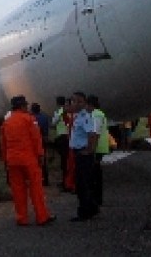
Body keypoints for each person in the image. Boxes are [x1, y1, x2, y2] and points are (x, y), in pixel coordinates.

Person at [0, 95, 55, 227]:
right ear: (22, 106)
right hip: (29, 159)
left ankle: (21, 218)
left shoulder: (6, 122)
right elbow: (36, 139)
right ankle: (42, 217)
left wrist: (5, 160)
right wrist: (41, 155)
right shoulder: (29, 119)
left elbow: (3, 144)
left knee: (18, 190)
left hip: (13, 160)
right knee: (36, 189)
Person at [69, 91, 98, 222]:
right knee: (85, 182)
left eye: (79, 101)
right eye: (74, 101)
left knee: (82, 184)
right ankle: (92, 208)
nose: (75, 103)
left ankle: (84, 212)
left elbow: (91, 134)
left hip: (83, 153)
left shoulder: (84, 116)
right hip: (78, 152)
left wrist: (89, 150)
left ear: (85, 103)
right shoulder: (78, 116)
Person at [87, 95, 108, 206]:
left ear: (90, 105)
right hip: (99, 147)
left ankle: (97, 198)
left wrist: (91, 149)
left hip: (98, 147)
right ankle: (96, 197)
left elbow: (95, 134)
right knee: (95, 173)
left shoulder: (96, 114)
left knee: (95, 174)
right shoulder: (97, 113)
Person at [50, 96, 70, 189]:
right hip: (69, 136)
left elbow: (53, 123)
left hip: (62, 137)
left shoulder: (59, 112)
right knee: (68, 159)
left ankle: (65, 182)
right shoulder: (69, 111)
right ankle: (68, 181)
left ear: (57, 103)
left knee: (64, 161)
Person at [30, 102, 51, 186]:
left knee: (34, 161)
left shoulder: (31, 118)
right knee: (42, 160)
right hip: (42, 140)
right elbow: (46, 129)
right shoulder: (44, 117)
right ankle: (45, 179)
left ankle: (36, 179)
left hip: (34, 142)